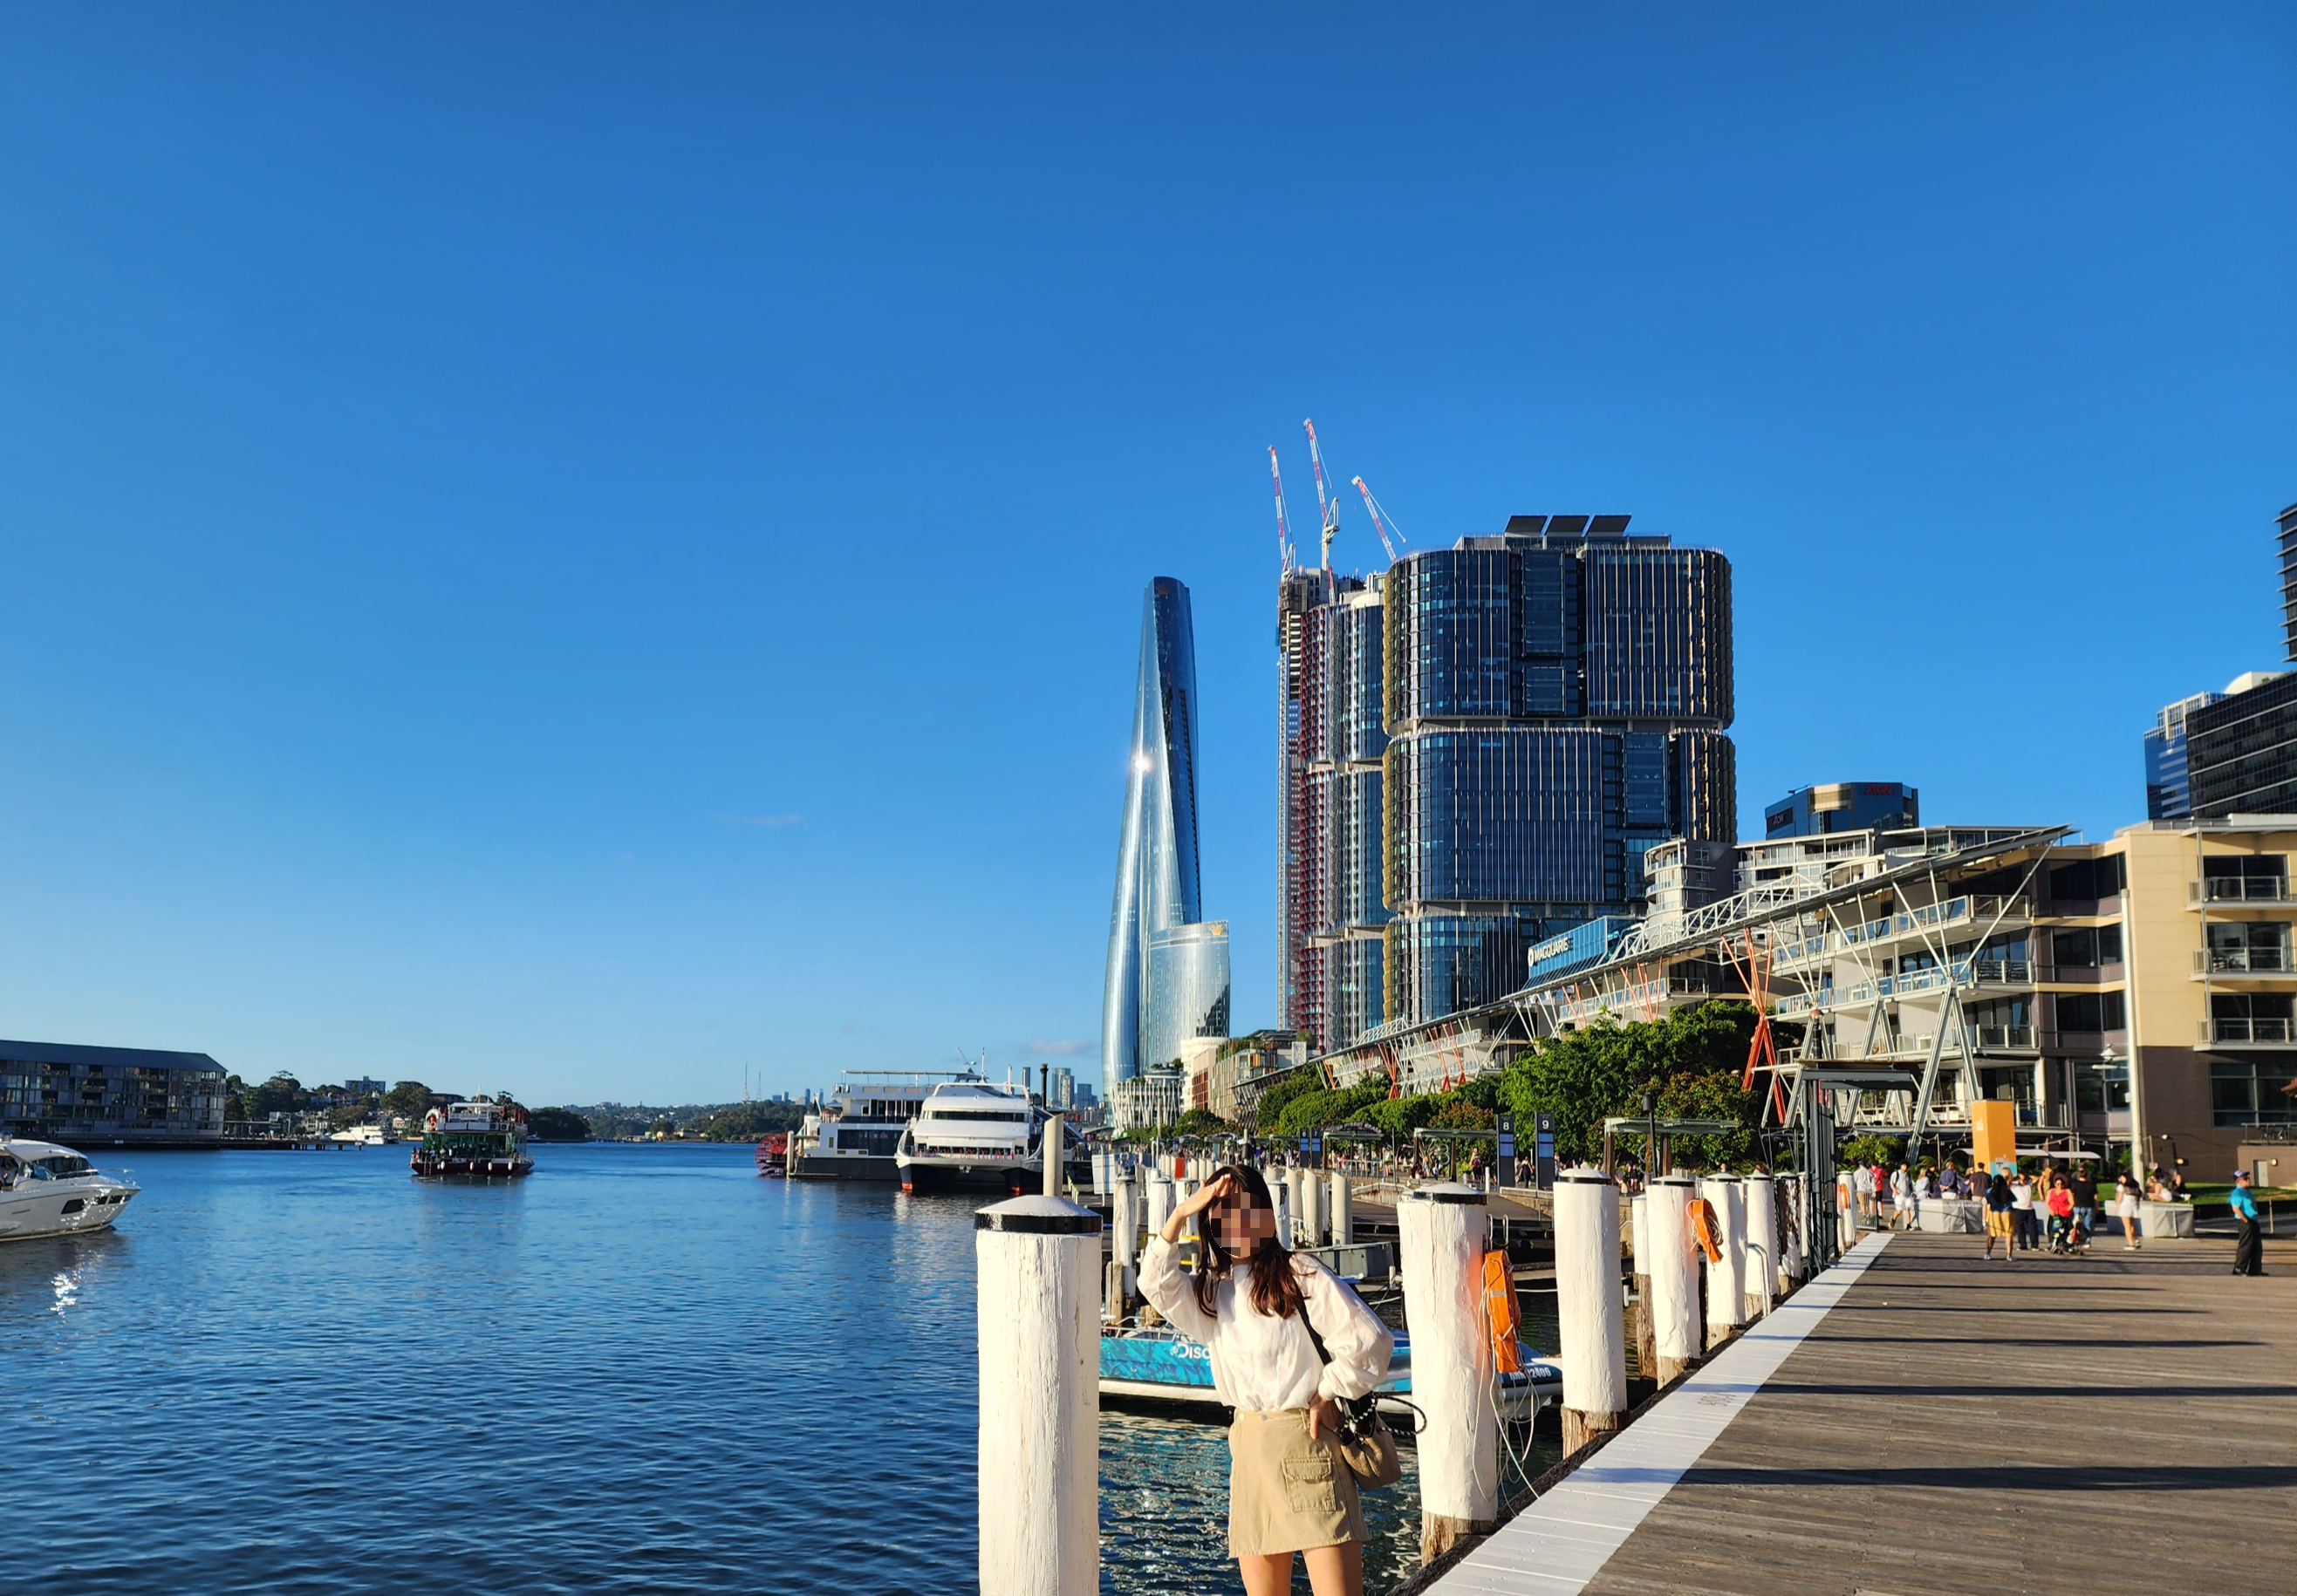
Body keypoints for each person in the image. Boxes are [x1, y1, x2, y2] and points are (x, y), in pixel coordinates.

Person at [1141, 1165, 1395, 1596]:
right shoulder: (1214, 1292)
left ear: (1268, 1216)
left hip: (1307, 1442)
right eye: (1221, 1215)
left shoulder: (1300, 1273)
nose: (1235, 1224)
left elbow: (1371, 1341)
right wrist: (1182, 1213)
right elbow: (1157, 1285)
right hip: (1251, 1454)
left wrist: (1327, 1389)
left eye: (1246, 1211)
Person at [2230, 1170, 2266, 1278]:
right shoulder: (2237, 1193)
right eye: (2245, 1179)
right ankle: (2239, 1268)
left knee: (2257, 1246)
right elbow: (2235, 1208)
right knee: (2246, 1245)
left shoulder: (2247, 1192)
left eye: (2248, 1178)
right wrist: (2245, 1220)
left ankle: (2255, 1269)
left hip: (2253, 1220)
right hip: (2245, 1221)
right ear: (2238, 1181)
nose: (2248, 1180)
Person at [1982, 1171, 2016, 1263]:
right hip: (2008, 1213)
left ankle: (1988, 1253)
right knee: (2008, 1235)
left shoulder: (1989, 1191)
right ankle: (2009, 1255)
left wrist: (1984, 1219)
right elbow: (2013, 1200)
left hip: (1994, 1214)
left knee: (1992, 1235)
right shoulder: (2007, 1191)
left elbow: (1986, 1204)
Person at [2069, 1166, 2099, 1253]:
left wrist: (2071, 1205)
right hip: (2089, 1206)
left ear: (2078, 1176)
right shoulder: (2091, 1185)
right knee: (2088, 1224)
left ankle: (2076, 1239)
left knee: (2076, 1224)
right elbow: (2095, 1197)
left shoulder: (2075, 1185)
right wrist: (2097, 1207)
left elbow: (2072, 1196)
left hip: (2077, 1206)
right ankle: (2087, 1240)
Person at [2045, 1174, 2075, 1254]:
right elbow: (2047, 1202)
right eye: (2058, 1184)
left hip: (2064, 1214)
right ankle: (2053, 1244)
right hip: (2054, 1214)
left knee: (2063, 1231)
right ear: (2055, 1184)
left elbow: (2072, 1203)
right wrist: (2050, 1210)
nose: (2060, 1186)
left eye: (2061, 1184)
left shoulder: (2067, 1191)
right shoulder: (2051, 1191)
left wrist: (2067, 1209)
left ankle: (2064, 1244)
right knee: (2052, 1230)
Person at [2009, 1168, 2039, 1251]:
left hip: (2030, 1209)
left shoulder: (2028, 1184)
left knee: (2032, 1228)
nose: (2024, 1181)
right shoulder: (2014, 1185)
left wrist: (2028, 1175)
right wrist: (2015, 1177)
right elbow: (2007, 1182)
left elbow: (2037, 1179)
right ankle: (2023, 1244)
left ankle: (2034, 1245)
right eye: (2022, 1180)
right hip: (2018, 1209)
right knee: (2020, 1228)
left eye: (2025, 1179)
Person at [2114, 1172, 2143, 1251]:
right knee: (2132, 1225)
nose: (2120, 1179)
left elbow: (2119, 1197)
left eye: (2121, 1177)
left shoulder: (2121, 1187)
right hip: (2134, 1205)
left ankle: (2131, 1243)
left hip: (2125, 1206)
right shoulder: (2135, 1185)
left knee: (2127, 1226)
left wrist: (2116, 1207)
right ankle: (2136, 1240)